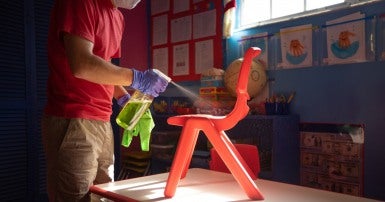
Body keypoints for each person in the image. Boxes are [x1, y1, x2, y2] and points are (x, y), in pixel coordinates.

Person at [41, 0, 168, 201]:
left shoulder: (117, 17)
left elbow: (103, 63)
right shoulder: (81, 3)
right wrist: (137, 78)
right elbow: (82, 64)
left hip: (102, 119)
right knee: (76, 197)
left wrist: (123, 98)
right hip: (75, 117)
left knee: (103, 196)